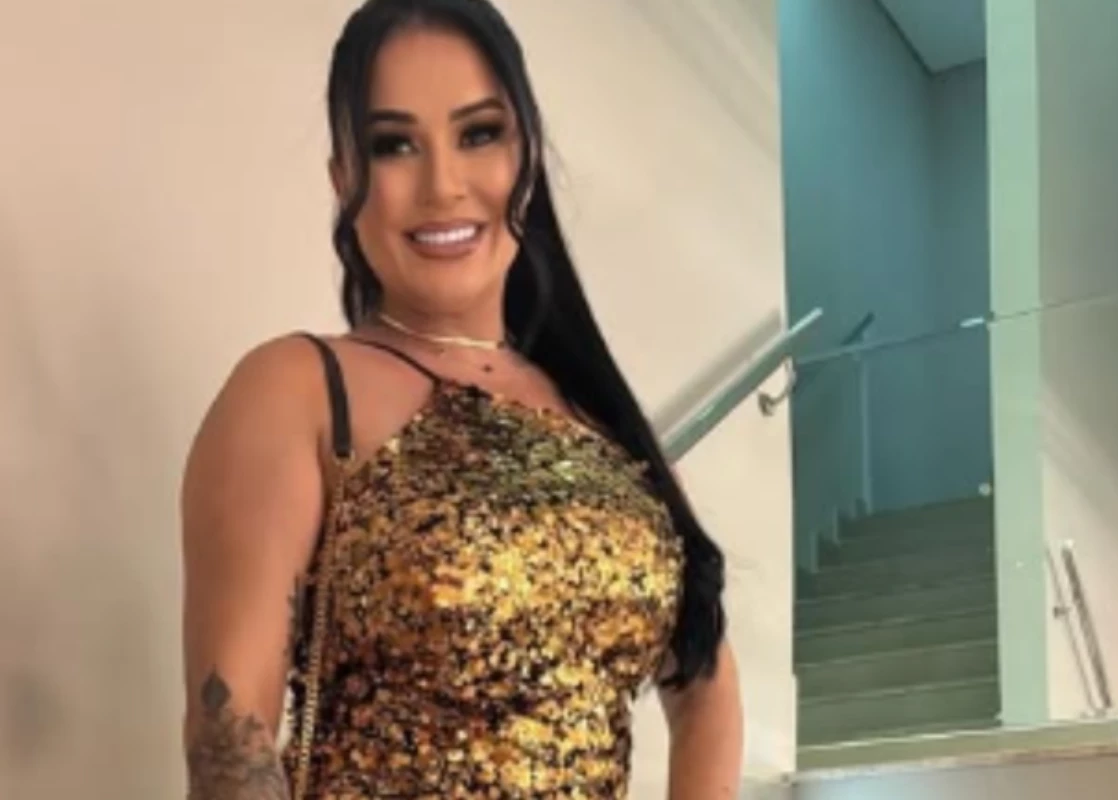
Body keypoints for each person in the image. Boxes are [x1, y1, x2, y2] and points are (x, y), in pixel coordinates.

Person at [180, 0, 744, 797]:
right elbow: (229, 741)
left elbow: (705, 679)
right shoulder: (298, 389)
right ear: (344, 178)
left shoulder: (601, 425)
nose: (442, 186)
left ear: (527, 155)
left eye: (478, 133)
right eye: (394, 145)